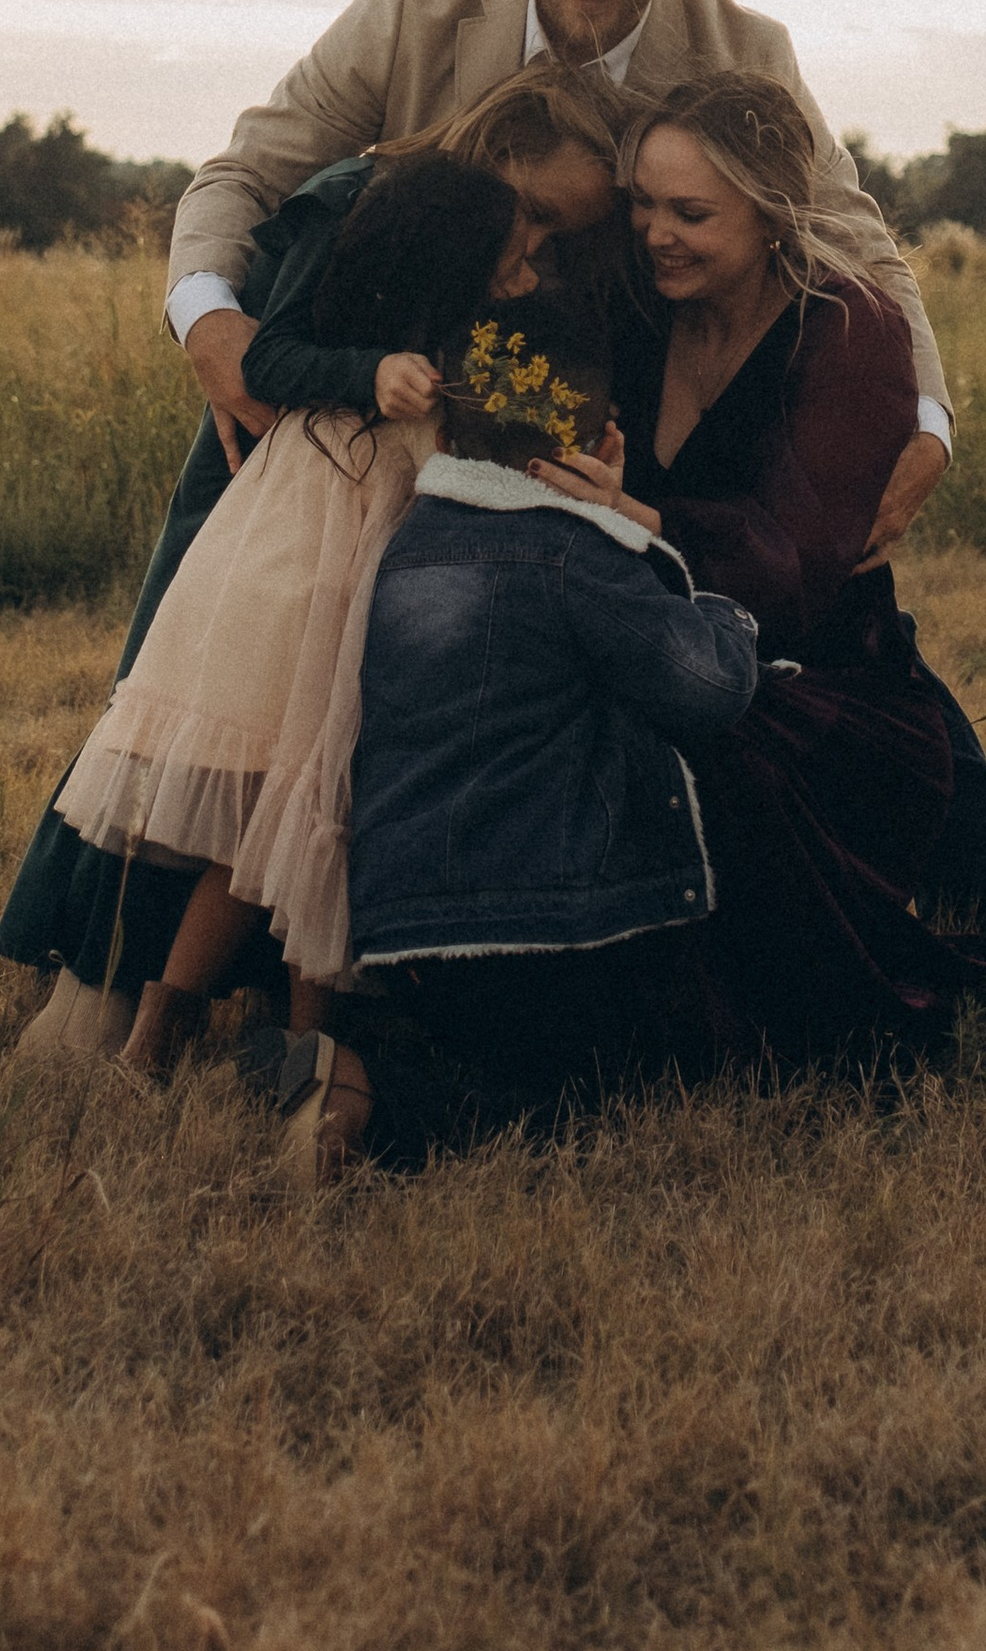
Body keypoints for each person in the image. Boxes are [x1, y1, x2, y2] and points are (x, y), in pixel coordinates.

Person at [159, 0, 956, 598]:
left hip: (614, 439)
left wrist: (927, 424)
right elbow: (246, 173)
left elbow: (855, 242)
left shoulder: (746, 53)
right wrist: (208, 322)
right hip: (382, 401)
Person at [0, 64, 621, 1054]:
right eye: (536, 217)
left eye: (558, 236)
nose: (538, 253)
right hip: (314, 538)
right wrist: (369, 375)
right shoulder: (371, 217)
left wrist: (559, 444)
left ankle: (285, 1050)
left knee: (321, 800)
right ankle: (198, 1026)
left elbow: (489, 417)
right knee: (292, 789)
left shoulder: (497, 290)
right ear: (497, 161)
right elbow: (271, 353)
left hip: (394, 554)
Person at [543, 70, 986, 1067]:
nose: (655, 232)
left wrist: (633, 515)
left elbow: (794, 567)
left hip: (821, 687)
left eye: (691, 213)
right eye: (642, 203)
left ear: (773, 211)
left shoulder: (849, 325)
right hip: (651, 654)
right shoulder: (638, 308)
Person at [272, 299, 762, 1181]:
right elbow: (704, 686)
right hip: (542, 918)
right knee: (584, 1097)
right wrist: (725, 611)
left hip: (405, 925)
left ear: (446, 433)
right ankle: (370, 1102)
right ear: (586, 447)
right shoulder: (574, 552)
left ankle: (349, 1046)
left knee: (486, 1040)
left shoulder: (405, 548)